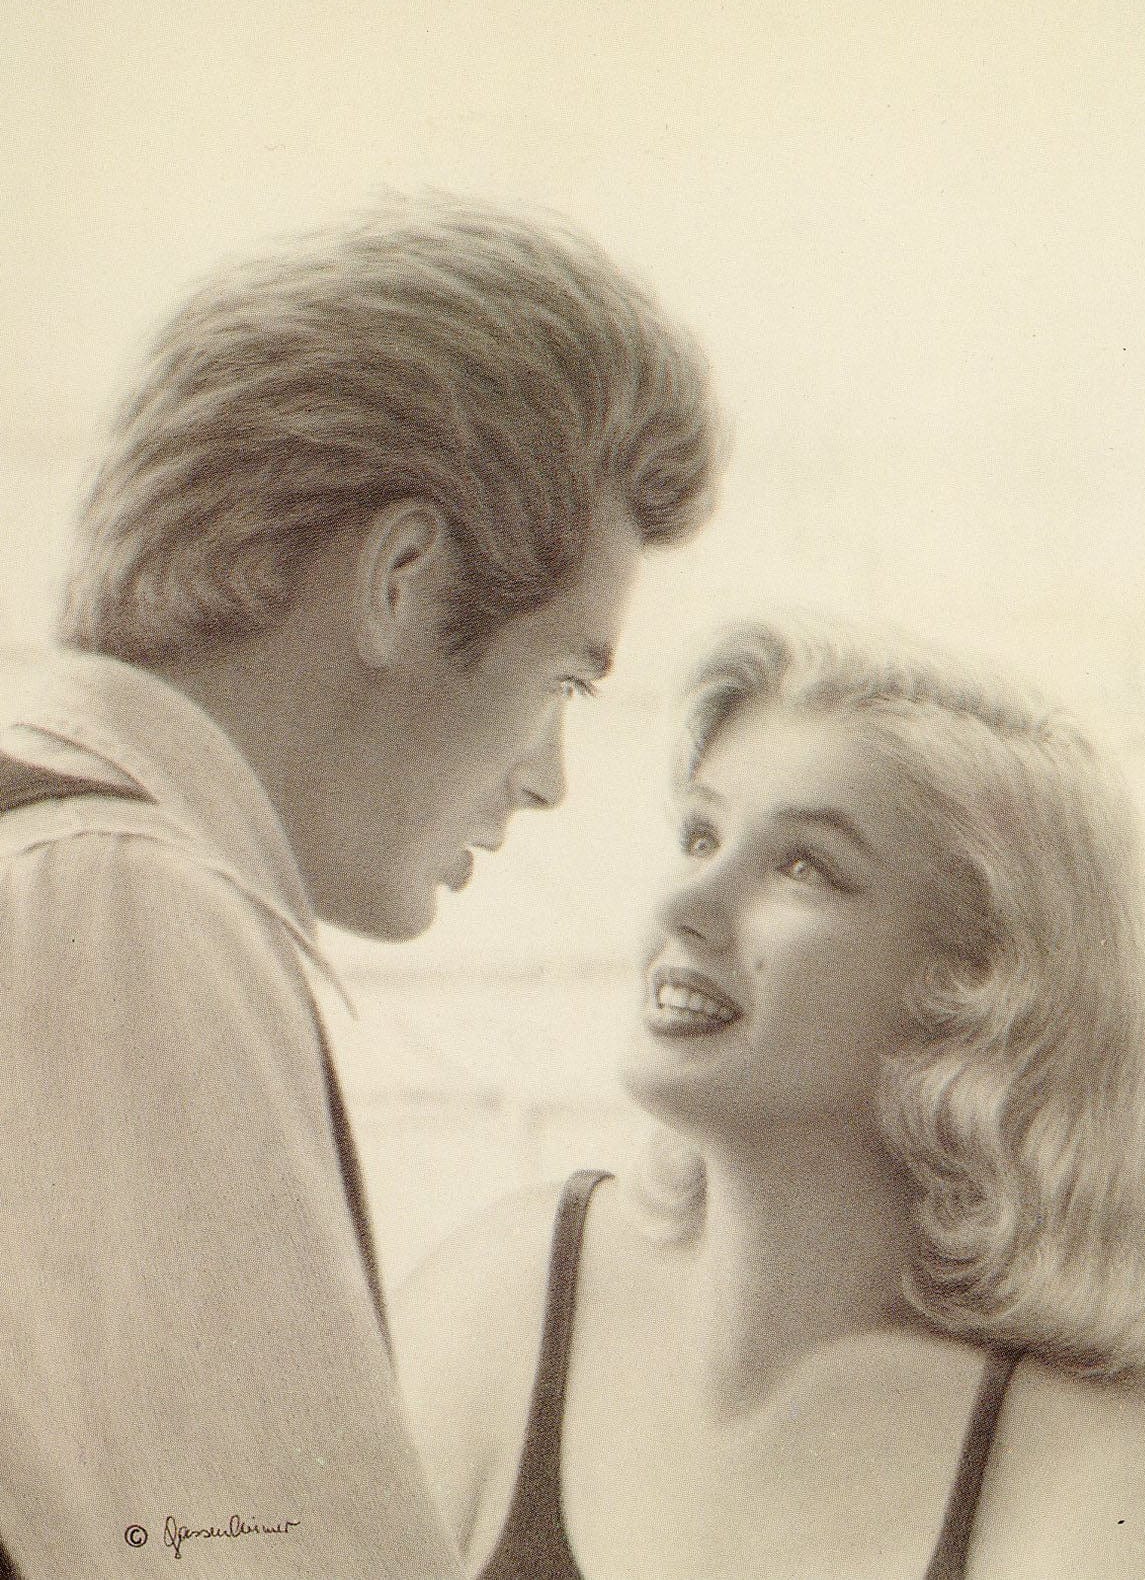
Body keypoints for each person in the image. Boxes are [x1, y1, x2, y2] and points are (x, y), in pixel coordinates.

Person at [0, 198, 721, 1579]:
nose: (548, 779)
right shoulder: (123, 905)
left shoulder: (56, 860)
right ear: (401, 578)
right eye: (566, 678)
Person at [394, 617, 1145, 1580]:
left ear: (978, 986)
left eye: (804, 867)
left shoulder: (1101, 1464)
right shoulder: (499, 1308)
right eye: (701, 836)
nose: (685, 905)